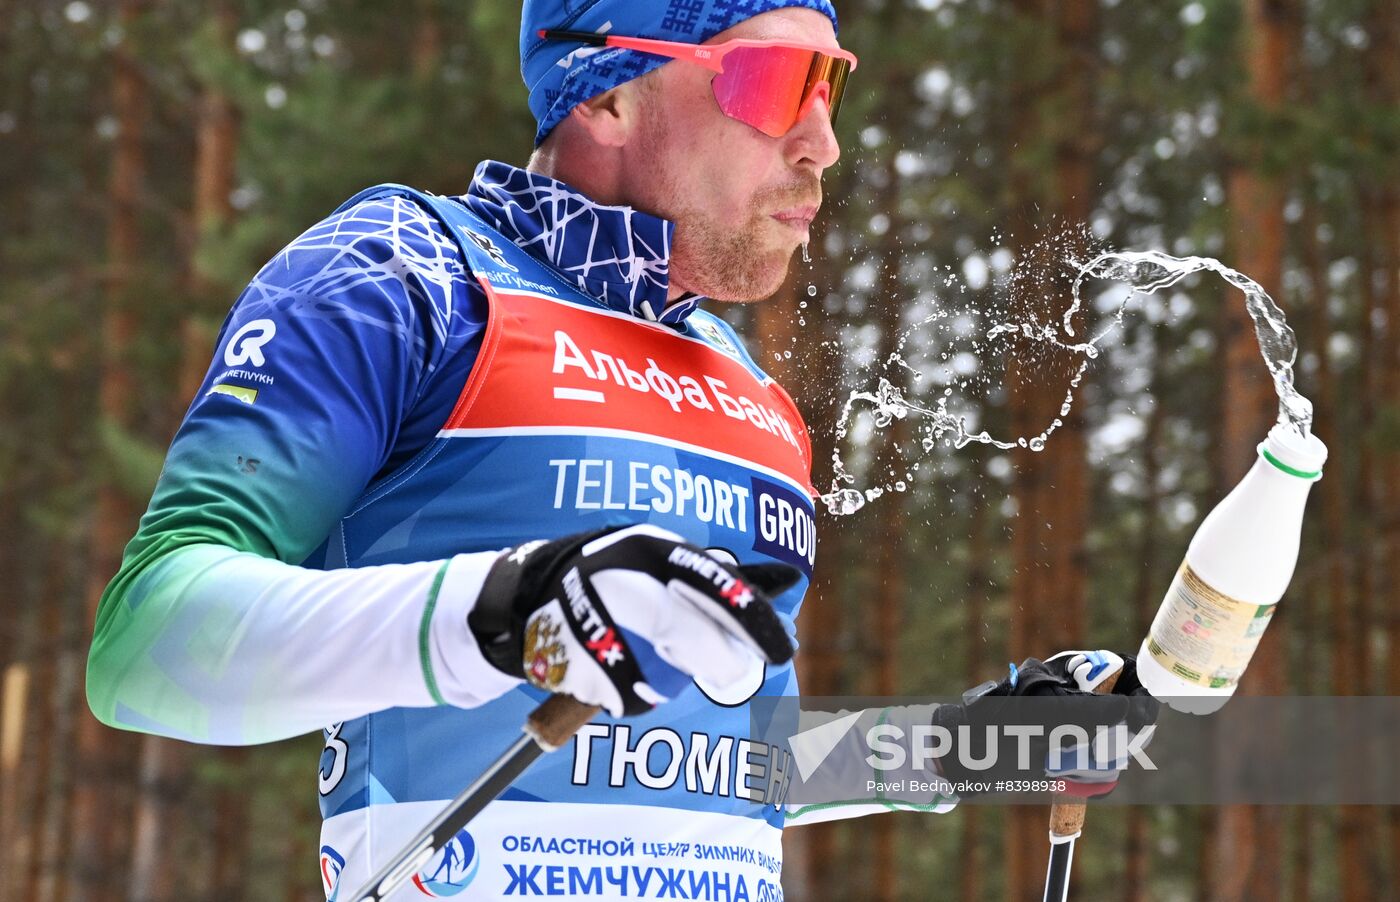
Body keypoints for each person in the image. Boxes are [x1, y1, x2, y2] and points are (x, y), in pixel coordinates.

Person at [85, 2, 1155, 899]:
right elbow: (146, 644)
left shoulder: (747, 387)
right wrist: (505, 609)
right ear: (607, 88)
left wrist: (954, 745)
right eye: (778, 82)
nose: (822, 142)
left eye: (832, 84)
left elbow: (719, 761)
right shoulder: (405, 273)